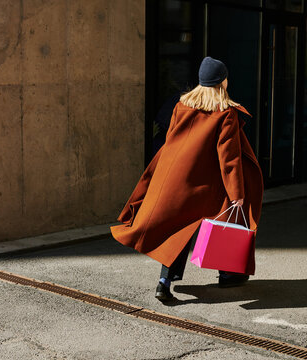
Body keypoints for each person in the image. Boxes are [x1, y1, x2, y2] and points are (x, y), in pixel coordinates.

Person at [110, 57, 264, 301]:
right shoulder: (225, 113)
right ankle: (227, 274)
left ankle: (164, 282)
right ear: (222, 81)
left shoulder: (182, 105)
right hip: (207, 184)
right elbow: (229, 157)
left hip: (177, 179)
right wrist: (237, 193)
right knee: (226, 217)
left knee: (178, 229)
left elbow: (172, 139)